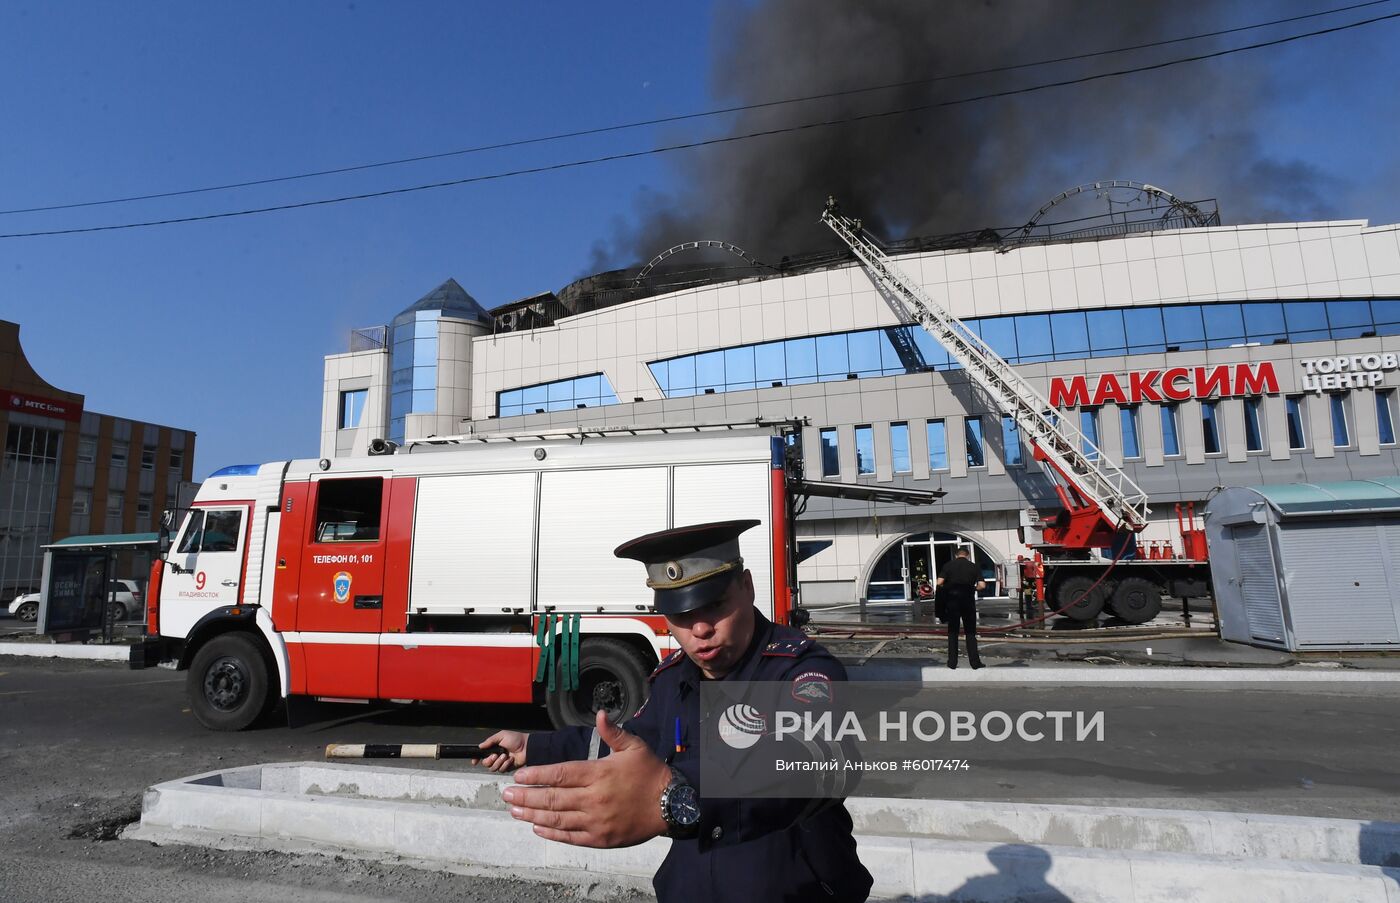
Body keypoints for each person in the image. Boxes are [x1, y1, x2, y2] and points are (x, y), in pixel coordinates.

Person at [477, 519, 873, 903]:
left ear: (748, 586)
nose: (699, 629)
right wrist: (533, 746)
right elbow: (630, 744)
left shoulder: (802, 670)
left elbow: (817, 760)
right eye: (682, 615)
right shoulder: (671, 679)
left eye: (715, 605)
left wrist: (676, 796)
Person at [936, 546, 986, 669]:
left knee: (953, 632)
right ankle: (975, 663)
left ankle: (952, 662)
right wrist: (973, 589)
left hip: (952, 601)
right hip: (968, 601)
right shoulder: (974, 567)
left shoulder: (948, 566)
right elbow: (982, 585)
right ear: (967, 555)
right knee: (970, 632)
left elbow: (939, 583)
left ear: (956, 555)